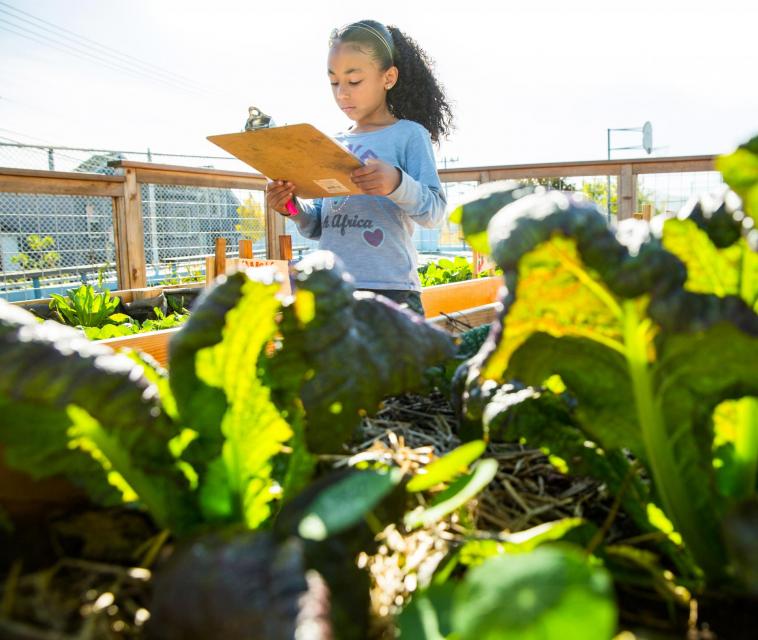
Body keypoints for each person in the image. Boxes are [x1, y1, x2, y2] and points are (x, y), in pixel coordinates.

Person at [265, 19, 453, 316]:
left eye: (354, 82)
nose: (342, 94)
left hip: (392, 290)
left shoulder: (409, 135)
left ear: (388, 77)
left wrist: (396, 183)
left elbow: (435, 213)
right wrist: (292, 207)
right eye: (334, 82)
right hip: (333, 290)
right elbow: (319, 225)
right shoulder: (330, 143)